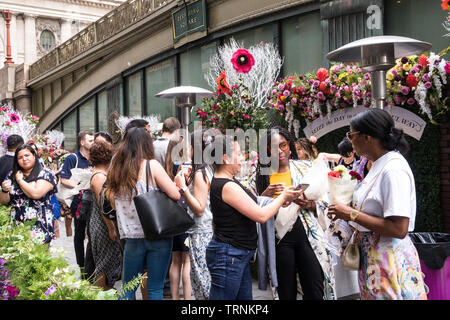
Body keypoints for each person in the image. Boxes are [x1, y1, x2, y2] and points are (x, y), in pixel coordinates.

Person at [327, 108, 428, 300]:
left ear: (367, 137)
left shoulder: (393, 169)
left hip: (388, 259)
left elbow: (399, 228)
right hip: (374, 258)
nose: (349, 140)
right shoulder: (377, 164)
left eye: (351, 134)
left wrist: (350, 214)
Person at [206, 135, 303, 300]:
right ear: (225, 158)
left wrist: (270, 198)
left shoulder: (229, 180)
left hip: (236, 254)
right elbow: (261, 215)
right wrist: (283, 197)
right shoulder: (226, 185)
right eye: (238, 153)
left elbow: (252, 205)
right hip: (229, 255)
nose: (241, 157)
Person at [254, 126, 336, 300]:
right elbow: (253, 208)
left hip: (309, 238)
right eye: (273, 147)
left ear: (289, 145)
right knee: (286, 293)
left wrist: (310, 204)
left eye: (283, 145)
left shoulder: (306, 168)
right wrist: (264, 196)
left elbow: (327, 202)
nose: (279, 151)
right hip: (280, 241)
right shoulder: (263, 175)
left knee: (315, 289)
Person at [105, 127, 181, 300]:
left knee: (127, 288)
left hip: (131, 237)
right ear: (147, 144)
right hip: (157, 234)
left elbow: (112, 202)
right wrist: (178, 183)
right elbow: (175, 195)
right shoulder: (151, 165)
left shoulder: (117, 168)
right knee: (154, 289)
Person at [174, 130, 214, 300]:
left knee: (203, 283)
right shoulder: (207, 169)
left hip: (201, 233)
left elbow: (199, 208)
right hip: (207, 231)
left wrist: (183, 187)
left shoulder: (200, 173)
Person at [0, 144, 57, 244]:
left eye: (27, 155)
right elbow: (4, 201)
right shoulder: (12, 174)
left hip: (39, 224)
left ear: (34, 156)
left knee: (38, 258)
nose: (24, 159)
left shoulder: (45, 174)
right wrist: (4, 190)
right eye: (20, 157)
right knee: (18, 257)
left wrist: (19, 180)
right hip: (17, 225)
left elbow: (35, 194)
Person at [59, 130, 94, 273]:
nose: (93, 143)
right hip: (78, 202)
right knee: (79, 234)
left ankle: (92, 266)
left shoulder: (95, 157)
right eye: (90, 140)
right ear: (82, 142)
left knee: (93, 234)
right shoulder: (73, 158)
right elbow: (64, 179)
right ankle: (82, 267)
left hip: (94, 201)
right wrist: (82, 185)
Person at [88, 141, 122, 290]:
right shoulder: (99, 177)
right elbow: (103, 205)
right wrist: (111, 228)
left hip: (99, 222)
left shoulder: (100, 174)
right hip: (102, 224)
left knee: (105, 262)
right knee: (104, 263)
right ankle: (102, 293)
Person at [165, 136, 191, 300]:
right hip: (184, 213)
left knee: (175, 261)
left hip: (170, 215)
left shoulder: (165, 167)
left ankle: (175, 297)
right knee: (187, 260)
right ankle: (188, 300)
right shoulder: (185, 166)